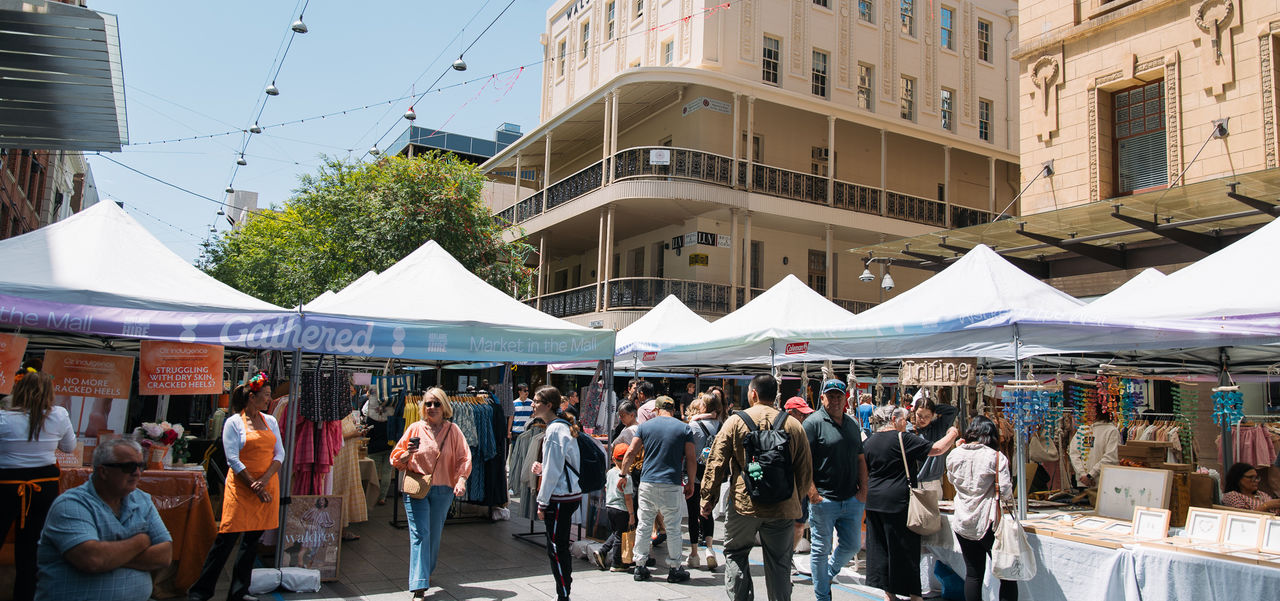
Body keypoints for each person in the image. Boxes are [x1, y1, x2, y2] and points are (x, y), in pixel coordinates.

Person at [700, 374, 813, 601]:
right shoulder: (792, 424)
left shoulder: (735, 421)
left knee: (736, 554)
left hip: (744, 503)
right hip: (782, 506)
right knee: (780, 561)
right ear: (775, 395)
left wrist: (707, 498)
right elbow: (805, 470)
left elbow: (716, 462)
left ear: (753, 394)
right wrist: (795, 498)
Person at [36, 438, 172, 601]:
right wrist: (141, 542)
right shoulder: (71, 504)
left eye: (140, 466)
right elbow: (92, 559)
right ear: (103, 471)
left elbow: (165, 555)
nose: (137, 472)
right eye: (128, 467)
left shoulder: (142, 500)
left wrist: (112, 557)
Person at [190, 373, 284, 601]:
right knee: (225, 542)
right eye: (267, 395)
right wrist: (254, 484)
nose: (269, 400)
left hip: (266, 486)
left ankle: (239, 592)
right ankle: (200, 592)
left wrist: (264, 481)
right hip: (242, 488)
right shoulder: (233, 422)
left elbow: (279, 453)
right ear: (252, 397)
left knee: (251, 544)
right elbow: (232, 458)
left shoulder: (270, 420)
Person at [862, 405, 960, 601]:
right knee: (906, 549)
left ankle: (889, 593)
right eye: (905, 419)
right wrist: (953, 433)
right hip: (898, 501)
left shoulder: (869, 442)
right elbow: (937, 449)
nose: (907, 423)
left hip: (874, 500)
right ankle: (915, 594)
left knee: (881, 548)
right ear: (895, 419)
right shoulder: (902, 438)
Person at [1, 370, 76, 600]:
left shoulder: (3, 417)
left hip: (6, 485)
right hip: (44, 487)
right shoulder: (60, 415)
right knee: (31, 551)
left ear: (18, 391)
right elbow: (69, 448)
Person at [391, 387, 472, 599]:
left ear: (444, 406)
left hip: (443, 490)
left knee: (434, 536)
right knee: (420, 534)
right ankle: (418, 585)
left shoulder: (453, 430)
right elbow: (395, 458)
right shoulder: (415, 428)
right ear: (422, 407)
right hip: (416, 489)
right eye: (428, 403)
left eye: (436, 403)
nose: (432, 407)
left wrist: (461, 479)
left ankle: (425, 572)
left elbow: (464, 458)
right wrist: (407, 453)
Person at [804, 380, 868, 601]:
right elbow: (804, 462)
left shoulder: (852, 424)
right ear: (822, 398)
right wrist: (813, 494)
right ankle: (823, 595)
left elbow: (861, 459)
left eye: (839, 396)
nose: (835, 400)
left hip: (851, 499)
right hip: (824, 500)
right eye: (830, 396)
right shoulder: (812, 423)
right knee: (820, 549)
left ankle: (828, 573)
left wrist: (863, 491)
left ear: (846, 398)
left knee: (851, 546)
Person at [620, 395, 695, 583]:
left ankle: (640, 566)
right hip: (671, 483)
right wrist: (691, 482)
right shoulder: (684, 428)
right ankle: (675, 567)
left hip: (648, 482)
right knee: (673, 527)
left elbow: (631, 452)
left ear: (656, 410)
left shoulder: (645, 427)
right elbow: (691, 458)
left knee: (644, 525)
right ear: (673, 409)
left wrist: (623, 474)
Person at [946, 415, 1017, 601]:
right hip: (988, 522)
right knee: (1007, 574)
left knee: (973, 573)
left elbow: (952, 480)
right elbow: (1006, 491)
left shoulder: (955, 454)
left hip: (963, 520)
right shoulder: (995, 457)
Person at [530, 386, 582, 601]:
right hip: (569, 494)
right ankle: (564, 591)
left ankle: (563, 593)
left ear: (548, 405)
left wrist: (542, 502)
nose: (532, 404)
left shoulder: (553, 430)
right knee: (559, 545)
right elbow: (559, 465)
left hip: (560, 497)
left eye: (536, 401)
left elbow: (552, 471)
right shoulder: (563, 426)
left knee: (556, 547)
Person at [686, 393, 723, 570]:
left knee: (693, 513)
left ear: (703, 407)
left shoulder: (693, 426)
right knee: (708, 511)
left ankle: (694, 553)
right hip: (714, 475)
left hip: (695, 473)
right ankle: (709, 548)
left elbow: (687, 452)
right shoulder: (722, 425)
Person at [782, 397, 815, 572]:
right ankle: (782, 558)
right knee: (784, 524)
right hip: (785, 486)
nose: (803, 417)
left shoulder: (805, 430)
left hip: (800, 486)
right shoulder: (780, 429)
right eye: (800, 413)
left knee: (799, 524)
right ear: (790, 413)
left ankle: (788, 556)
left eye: (804, 414)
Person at [595, 443, 637, 572]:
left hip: (610, 506)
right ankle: (616, 562)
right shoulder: (626, 478)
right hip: (622, 509)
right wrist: (631, 514)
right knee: (620, 535)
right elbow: (628, 498)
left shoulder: (610, 473)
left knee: (616, 532)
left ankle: (602, 551)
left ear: (613, 459)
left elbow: (607, 488)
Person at [331, 411, 368, 539]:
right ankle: (334, 530)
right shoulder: (333, 414)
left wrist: (357, 433)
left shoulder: (346, 414)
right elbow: (332, 438)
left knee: (345, 489)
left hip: (348, 458)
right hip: (338, 459)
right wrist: (353, 434)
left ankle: (342, 529)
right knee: (337, 490)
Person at [362, 387, 396, 505]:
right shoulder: (391, 414)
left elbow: (368, 430)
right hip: (388, 446)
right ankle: (382, 497)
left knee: (374, 474)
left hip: (374, 446)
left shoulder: (371, 416)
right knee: (387, 472)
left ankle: (372, 497)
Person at [1068, 410, 1119, 487]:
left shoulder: (1111, 430)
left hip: (1103, 483)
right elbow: (1074, 453)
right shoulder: (1083, 429)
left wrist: (1090, 475)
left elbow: (1110, 457)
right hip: (1083, 483)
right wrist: (1083, 474)